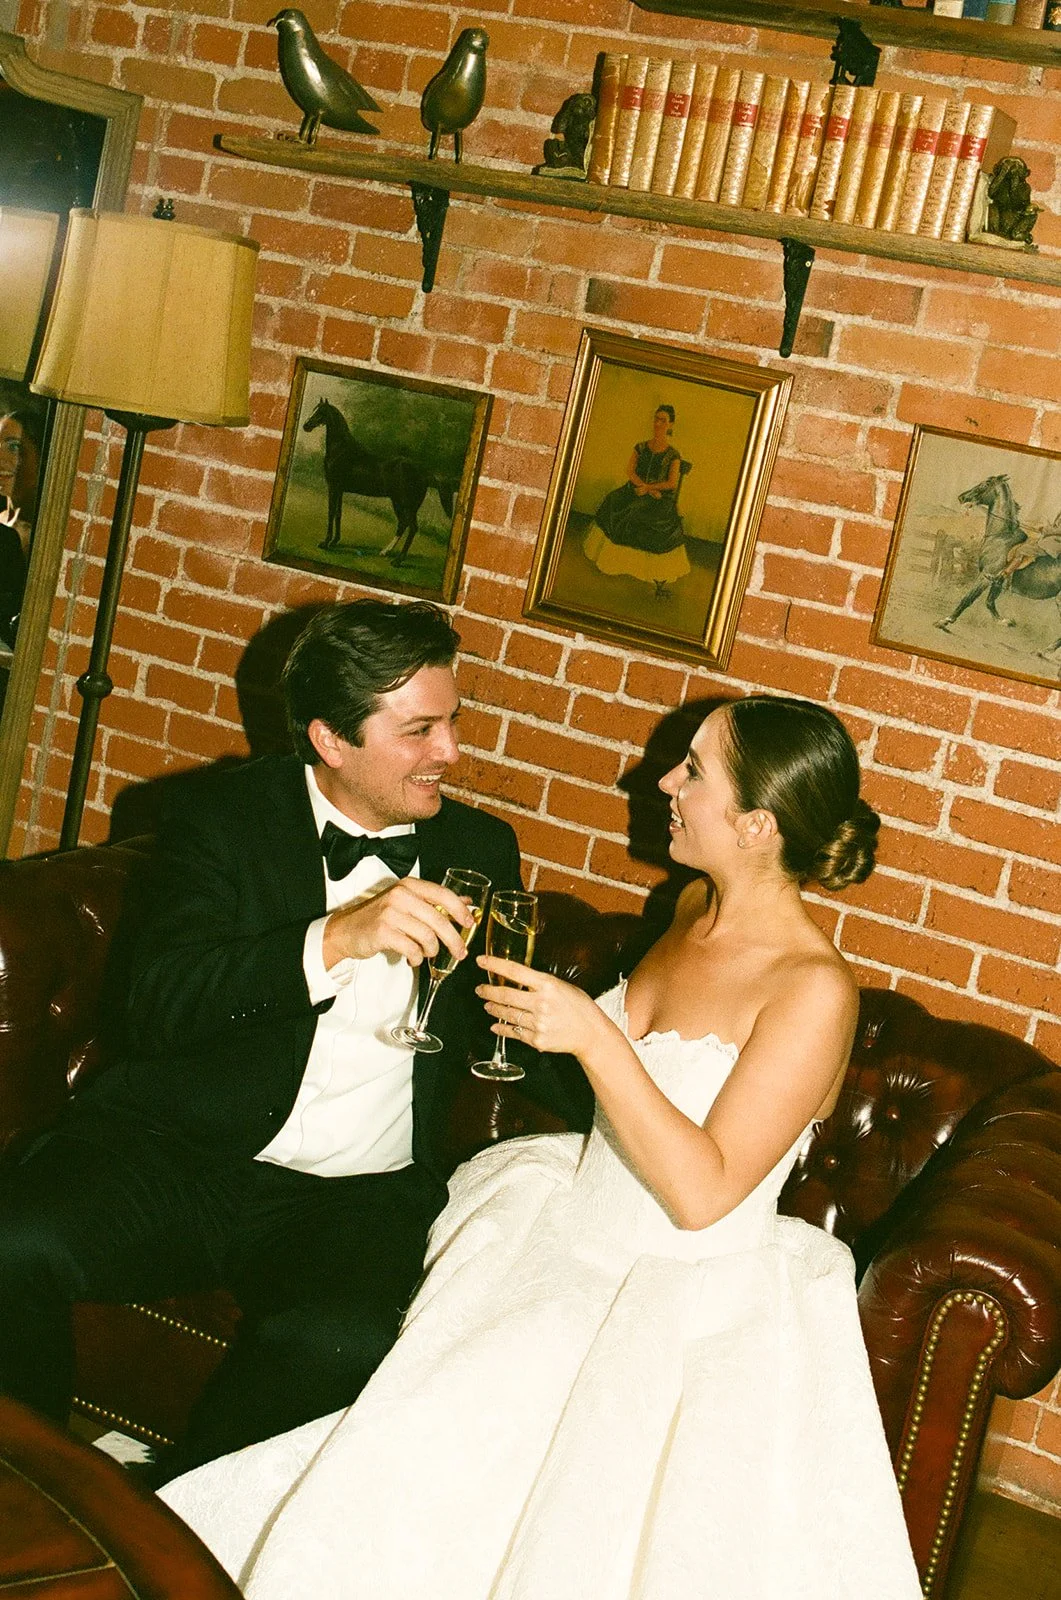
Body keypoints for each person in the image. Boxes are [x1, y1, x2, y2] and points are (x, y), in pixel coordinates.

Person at [160, 693, 923, 1599]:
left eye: (692, 773)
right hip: (567, 1225)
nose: (661, 782)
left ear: (755, 824)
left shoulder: (812, 989)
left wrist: (591, 1037)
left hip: (673, 1293)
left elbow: (702, 1194)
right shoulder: (689, 903)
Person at [0, 598, 582, 1477]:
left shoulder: (480, 847)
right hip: (184, 1151)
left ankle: (174, 1525)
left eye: (452, 721)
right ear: (329, 739)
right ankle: (32, 1500)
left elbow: (510, 1020)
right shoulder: (216, 818)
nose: (451, 754)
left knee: (344, 1340)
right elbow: (158, 1003)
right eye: (419, 730)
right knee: (13, 1240)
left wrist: (636, 1090)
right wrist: (336, 938)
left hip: (357, 1195)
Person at [583, 403, 691, 592]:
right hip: (635, 489)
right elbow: (630, 471)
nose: (658, 424)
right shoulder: (641, 447)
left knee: (634, 512)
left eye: (663, 421)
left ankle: (638, 568)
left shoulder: (673, 454)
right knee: (613, 501)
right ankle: (612, 561)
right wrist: (641, 486)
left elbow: (672, 483)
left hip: (660, 498)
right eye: (656, 419)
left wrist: (649, 489)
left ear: (671, 425)